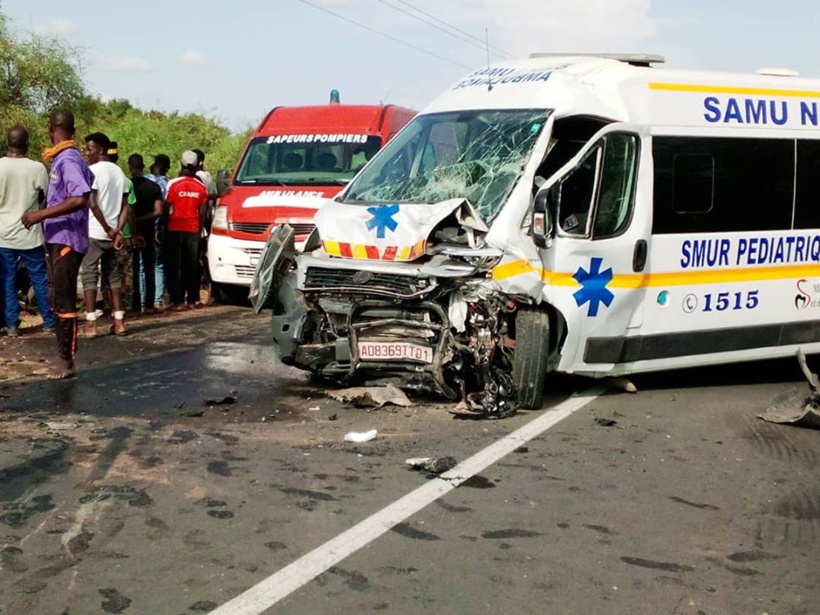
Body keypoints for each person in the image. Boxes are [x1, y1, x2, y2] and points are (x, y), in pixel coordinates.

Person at [21, 109, 93, 379]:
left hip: (67, 239)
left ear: (51, 129)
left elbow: (80, 197)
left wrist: (39, 215)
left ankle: (66, 360)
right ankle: (62, 357)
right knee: (57, 297)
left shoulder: (69, 159)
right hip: (59, 237)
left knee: (63, 299)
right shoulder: (65, 158)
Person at [0, 126, 54, 337]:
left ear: (7, 143)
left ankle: (12, 324)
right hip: (30, 233)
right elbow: (45, 199)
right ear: (27, 144)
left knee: (7, 279)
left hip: (3, 234)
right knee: (39, 278)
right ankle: (48, 322)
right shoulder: (37, 168)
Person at [82, 132, 129, 337]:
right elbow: (126, 206)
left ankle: (91, 323)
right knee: (113, 275)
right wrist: (117, 229)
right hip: (112, 234)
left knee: (90, 275)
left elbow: (92, 203)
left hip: (94, 232)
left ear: (100, 149)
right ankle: (119, 321)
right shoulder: (120, 173)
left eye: (89, 149)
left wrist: (107, 228)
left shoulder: (92, 171)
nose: (87, 153)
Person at [164, 151, 209, 310]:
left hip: (174, 228)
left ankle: (177, 301)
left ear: (181, 164)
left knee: (175, 265)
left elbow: (167, 206)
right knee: (192, 265)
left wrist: (161, 227)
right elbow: (203, 211)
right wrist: (199, 228)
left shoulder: (173, 184)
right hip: (193, 229)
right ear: (197, 165)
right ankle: (193, 299)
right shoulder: (201, 186)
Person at [128, 154, 162, 313]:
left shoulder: (128, 186)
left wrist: (135, 221)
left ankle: (136, 304)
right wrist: (144, 219)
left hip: (131, 230)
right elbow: (158, 211)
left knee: (134, 267)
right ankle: (149, 304)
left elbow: (127, 209)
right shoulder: (153, 187)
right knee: (149, 266)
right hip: (148, 230)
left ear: (130, 168)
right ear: (143, 166)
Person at [144, 154, 170, 308]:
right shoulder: (168, 183)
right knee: (158, 265)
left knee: (142, 266)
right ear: (166, 168)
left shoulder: (145, 180)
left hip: (142, 225)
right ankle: (157, 300)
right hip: (159, 227)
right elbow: (165, 209)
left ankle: (142, 300)